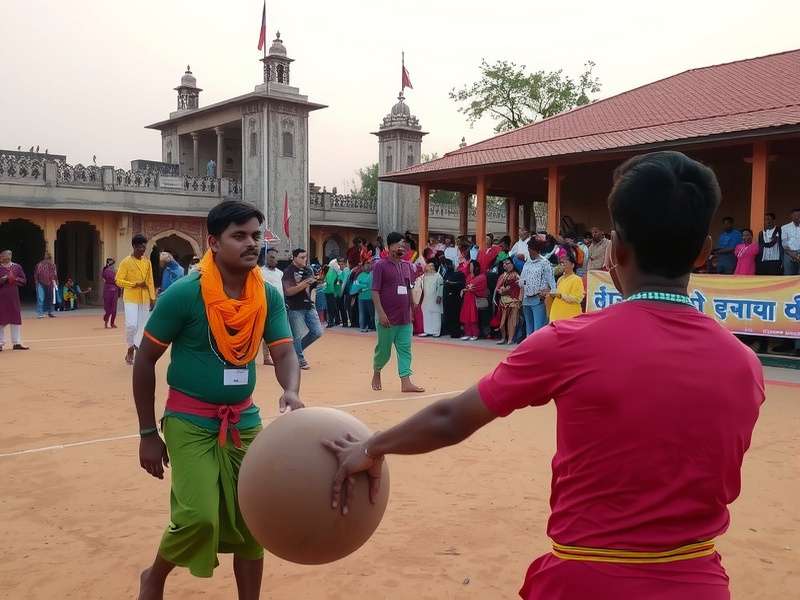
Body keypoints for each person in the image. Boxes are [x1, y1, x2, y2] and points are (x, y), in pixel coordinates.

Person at [323, 150, 764, 600]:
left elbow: (452, 419)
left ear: (615, 250)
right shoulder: (744, 364)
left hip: (585, 582)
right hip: (698, 583)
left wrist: (372, 447)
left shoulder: (569, 342)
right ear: (706, 252)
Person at [134, 200, 304, 600]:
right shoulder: (184, 294)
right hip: (189, 421)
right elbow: (144, 359)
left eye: (256, 236)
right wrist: (146, 432)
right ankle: (154, 577)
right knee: (198, 518)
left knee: (253, 521)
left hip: (243, 422)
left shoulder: (267, 295)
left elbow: (282, 351)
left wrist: (291, 389)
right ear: (213, 242)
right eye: (239, 236)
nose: (251, 244)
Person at [371, 231, 424, 393]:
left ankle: (406, 382)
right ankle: (377, 370)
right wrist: (381, 313)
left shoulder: (407, 265)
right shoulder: (380, 265)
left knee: (405, 349)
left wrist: (411, 310)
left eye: (403, 245)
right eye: (398, 245)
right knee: (384, 352)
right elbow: (375, 291)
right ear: (389, 246)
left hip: (404, 318)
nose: (401, 248)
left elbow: (409, 289)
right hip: (386, 318)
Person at [116, 234, 156, 365]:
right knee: (131, 325)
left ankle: (138, 350)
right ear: (134, 246)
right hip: (131, 298)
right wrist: (134, 284)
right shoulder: (126, 262)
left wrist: (152, 297)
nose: (143, 249)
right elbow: (118, 281)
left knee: (142, 327)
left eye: (144, 247)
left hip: (144, 299)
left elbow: (150, 280)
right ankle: (130, 348)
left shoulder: (147, 262)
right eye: (140, 247)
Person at [282, 248, 323, 371]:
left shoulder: (308, 269)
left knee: (317, 332)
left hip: (308, 305)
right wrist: (305, 283)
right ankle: (299, 359)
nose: (304, 259)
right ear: (294, 258)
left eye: (305, 257)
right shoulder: (288, 271)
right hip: (294, 307)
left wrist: (316, 280)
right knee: (297, 336)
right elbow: (288, 291)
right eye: (301, 257)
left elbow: (314, 285)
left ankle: (294, 353)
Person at [520, 238, 555, 337]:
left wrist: (548, 293)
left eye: (528, 248)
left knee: (538, 330)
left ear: (533, 249)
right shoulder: (527, 262)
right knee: (529, 330)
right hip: (526, 299)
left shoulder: (545, 263)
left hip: (538, 300)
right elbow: (522, 280)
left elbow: (552, 282)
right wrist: (521, 294)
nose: (528, 251)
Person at [0, 250, 28, 351]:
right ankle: (0, 343)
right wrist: (2, 280)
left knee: (15, 319)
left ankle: (16, 343)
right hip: (1, 298)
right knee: (1, 320)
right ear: (1, 257)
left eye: (9, 255)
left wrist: (14, 279)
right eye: (4, 255)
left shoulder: (17, 267)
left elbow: (24, 280)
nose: (6, 257)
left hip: (13, 297)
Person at [259, 248, 283, 366]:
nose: (275, 260)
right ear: (265, 258)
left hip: (278, 308)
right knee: (258, 332)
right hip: (263, 306)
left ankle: (268, 357)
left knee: (272, 333)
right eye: (272, 257)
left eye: (276, 258)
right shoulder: (259, 272)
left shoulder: (280, 273)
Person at [549, 253, 585, 322]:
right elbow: (556, 294)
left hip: (569, 316)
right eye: (562, 263)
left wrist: (561, 295)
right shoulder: (560, 279)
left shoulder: (577, 279)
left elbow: (578, 298)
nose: (563, 265)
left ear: (572, 265)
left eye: (566, 262)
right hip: (557, 314)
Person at [495, 258, 521, 344]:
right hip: (503, 301)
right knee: (502, 323)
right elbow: (497, 288)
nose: (506, 265)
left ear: (513, 264)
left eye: (508, 263)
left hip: (514, 301)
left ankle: (510, 339)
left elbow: (520, 288)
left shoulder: (517, 275)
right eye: (504, 264)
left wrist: (519, 300)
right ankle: (503, 338)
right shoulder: (502, 276)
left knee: (512, 321)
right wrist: (500, 290)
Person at [459, 260, 487, 341]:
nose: (470, 268)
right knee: (466, 316)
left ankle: (475, 333)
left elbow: (479, 287)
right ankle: (467, 333)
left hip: (474, 298)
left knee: (473, 316)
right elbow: (468, 287)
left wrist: (467, 289)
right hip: (467, 297)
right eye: (470, 266)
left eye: (472, 266)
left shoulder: (481, 276)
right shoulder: (468, 276)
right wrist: (466, 289)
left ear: (476, 267)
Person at [418, 261, 443, 337]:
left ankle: (436, 332)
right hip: (426, 299)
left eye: (431, 266)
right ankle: (427, 331)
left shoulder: (438, 276)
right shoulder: (424, 276)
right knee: (426, 315)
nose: (429, 267)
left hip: (435, 298)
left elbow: (440, 287)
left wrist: (439, 296)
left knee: (436, 315)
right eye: (428, 266)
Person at [442, 259, 465, 338]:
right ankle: (451, 331)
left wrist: (451, 283)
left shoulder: (459, 274)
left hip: (455, 298)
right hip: (448, 298)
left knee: (455, 316)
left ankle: (456, 332)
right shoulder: (447, 274)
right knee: (450, 315)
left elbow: (461, 284)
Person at [352, 260, 375, 332]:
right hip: (361, 298)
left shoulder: (373, 274)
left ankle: (373, 327)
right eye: (366, 264)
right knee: (362, 314)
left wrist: (363, 286)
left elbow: (372, 285)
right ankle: (363, 326)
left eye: (369, 264)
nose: (368, 266)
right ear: (363, 266)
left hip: (371, 298)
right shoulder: (360, 275)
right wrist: (365, 286)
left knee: (372, 314)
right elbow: (356, 286)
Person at [33, 252, 58, 318]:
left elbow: (55, 274)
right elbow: (36, 274)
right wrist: (36, 282)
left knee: (50, 298)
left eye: (49, 258)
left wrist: (56, 282)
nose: (48, 260)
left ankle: (50, 312)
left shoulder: (53, 265)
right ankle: (40, 313)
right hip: (40, 283)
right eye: (47, 258)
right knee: (41, 298)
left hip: (50, 283)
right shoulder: (39, 265)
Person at [781, 208, 800, 276]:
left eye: (799, 215)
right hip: (789, 253)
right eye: (795, 215)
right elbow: (784, 243)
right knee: (788, 276)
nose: (797, 217)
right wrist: (792, 254)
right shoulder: (785, 227)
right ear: (791, 216)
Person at [102, 258, 120, 328]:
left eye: (113, 264)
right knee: (108, 308)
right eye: (112, 263)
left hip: (115, 290)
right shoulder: (105, 271)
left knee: (114, 308)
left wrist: (119, 291)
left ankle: (112, 323)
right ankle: (106, 321)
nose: (113, 265)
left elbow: (118, 281)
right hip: (107, 290)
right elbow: (103, 276)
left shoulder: (116, 271)